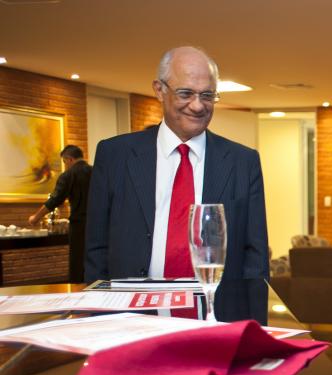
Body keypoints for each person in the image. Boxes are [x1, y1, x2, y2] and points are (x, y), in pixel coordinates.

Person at [85, 46, 268, 285]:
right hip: (131, 303)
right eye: (185, 93)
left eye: (207, 95)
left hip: (216, 304)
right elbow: (96, 248)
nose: (197, 106)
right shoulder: (115, 155)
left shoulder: (243, 162)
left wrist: (250, 310)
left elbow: (255, 256)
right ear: (159, 90)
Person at [28, 145, 92, 282]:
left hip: (79, 226)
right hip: (99, 225)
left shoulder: (68, 175)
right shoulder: (96, 171)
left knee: (77, 261)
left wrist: (35, 217)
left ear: (69, 159)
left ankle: (77, 290)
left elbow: (55, 200)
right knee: (94, 259)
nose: (65, 165)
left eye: (64, 162)